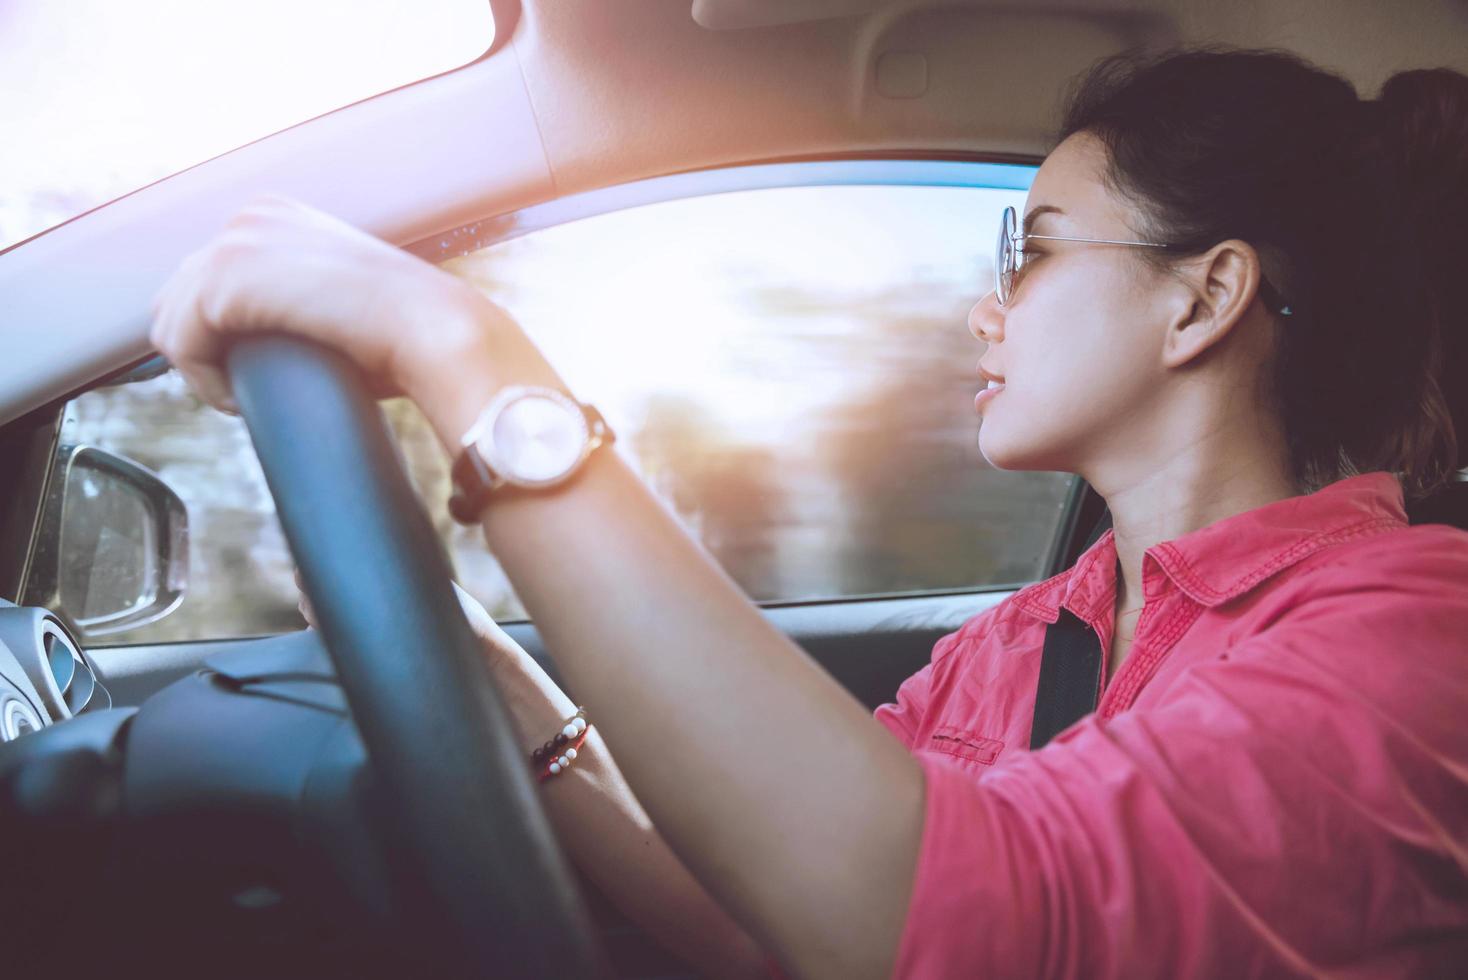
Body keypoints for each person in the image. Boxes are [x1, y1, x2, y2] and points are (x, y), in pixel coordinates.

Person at [151, 45, 1468, 979]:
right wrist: (480, 674)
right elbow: (763, 909)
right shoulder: (1018, 642)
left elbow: (921, 912)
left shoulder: (1415, 631)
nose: (984, 305)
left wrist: (463, 352)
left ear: (1202, 298)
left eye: (1038, 247)